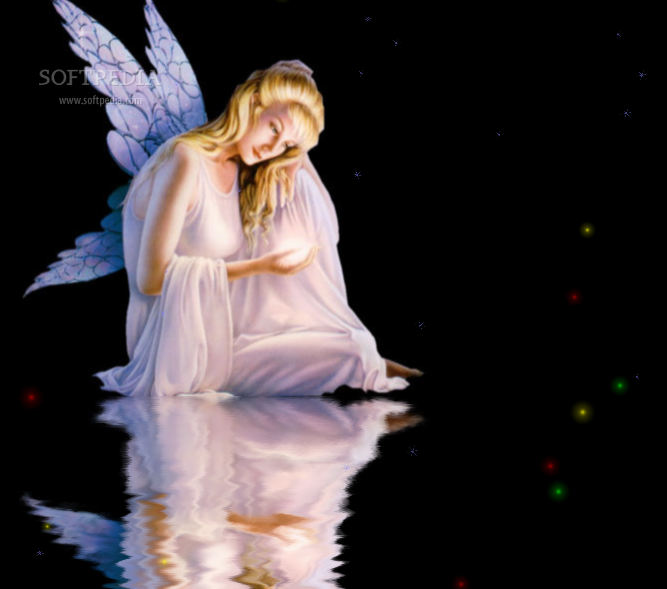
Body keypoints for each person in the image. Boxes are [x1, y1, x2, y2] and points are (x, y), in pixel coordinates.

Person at [92, 61, 423, 396]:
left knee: (296, 186)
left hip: (219, 330)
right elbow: (150, 280)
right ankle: (359, 360)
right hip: (175, 349)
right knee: (355, 353)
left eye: (285, 144)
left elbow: (329, 228)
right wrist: (262, 266)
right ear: (251, 102)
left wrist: (299, 154)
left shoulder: (237, 168)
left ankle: (341, 340)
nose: (272, 148)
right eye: (274, 129)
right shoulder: (186, 159)